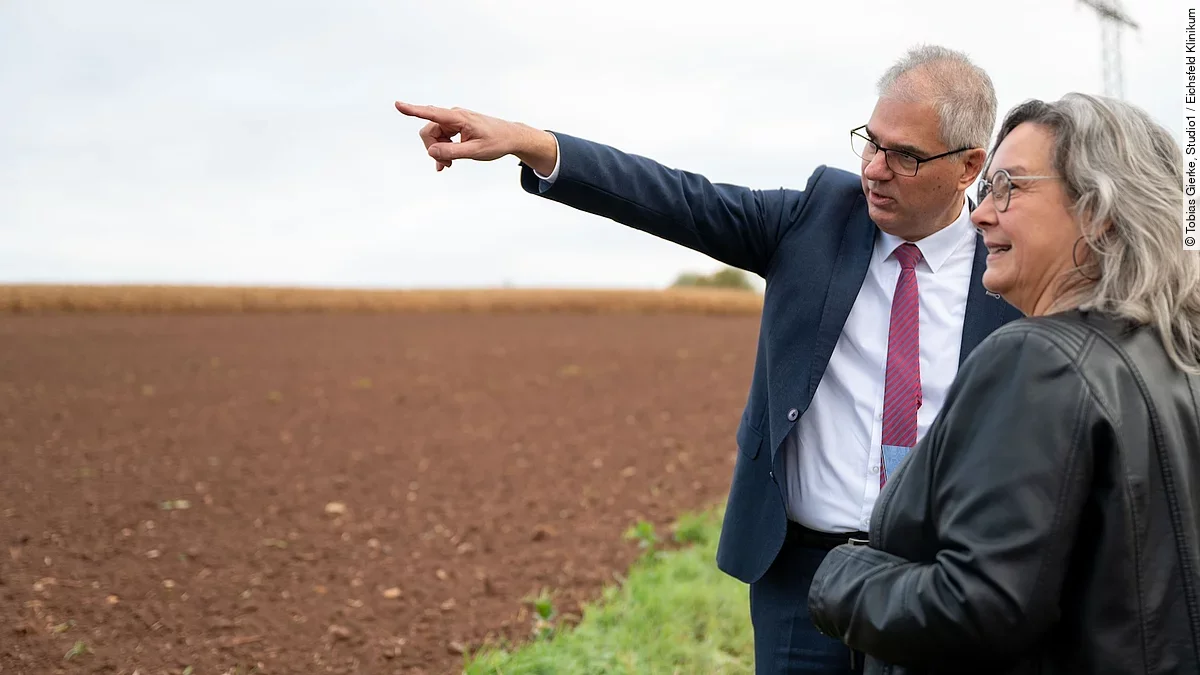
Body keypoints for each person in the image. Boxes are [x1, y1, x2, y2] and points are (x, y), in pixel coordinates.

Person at [395, 45, 1023, 674]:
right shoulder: (815, 219)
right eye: (870, 142)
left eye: (904, 156)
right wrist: (535, 145)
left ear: (970, 165)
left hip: (935, 578)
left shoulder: (1010, 273)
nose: (875, 170)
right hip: (801, 576)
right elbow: (679, 199)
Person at [806, 92, 1200, 674]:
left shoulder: (1037, 360)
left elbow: (975, 608)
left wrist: (838, 575)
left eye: (1009, 188)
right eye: (986, 188)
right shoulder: (1177, 358)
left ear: (1099, 211)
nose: (980, 213)